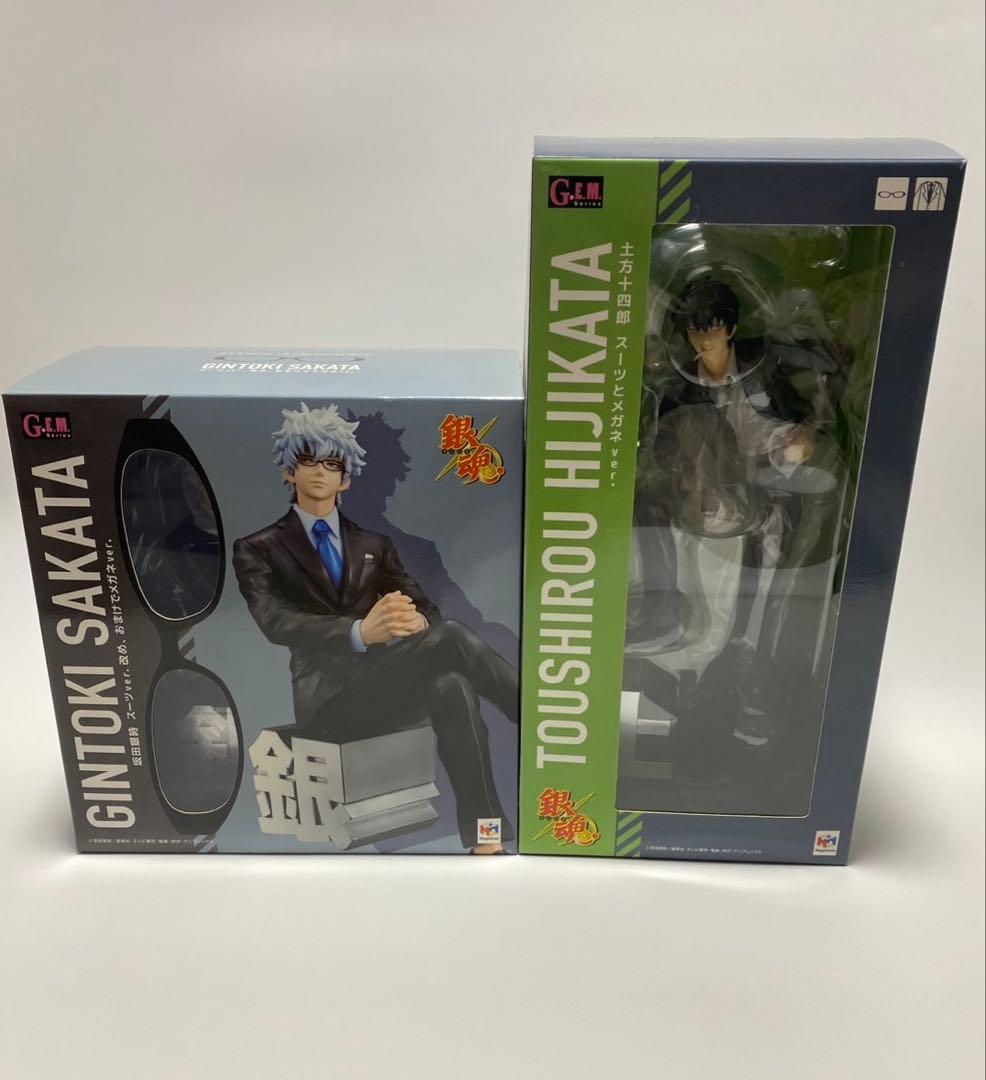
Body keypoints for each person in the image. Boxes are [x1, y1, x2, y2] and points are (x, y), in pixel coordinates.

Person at [232, 402, 517, 852]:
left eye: (332, 464)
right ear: (289, 471)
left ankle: (487, 835)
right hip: (330, 705)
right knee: (452, 636)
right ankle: (538, 719)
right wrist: (361, 632)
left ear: (345, 479)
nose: (320, 471)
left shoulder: (374, 544)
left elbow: (425, 606)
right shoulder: (257, 548)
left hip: (390, 688)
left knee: (452, 684)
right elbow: (275, 621)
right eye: (308, 460)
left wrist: (416, 619)